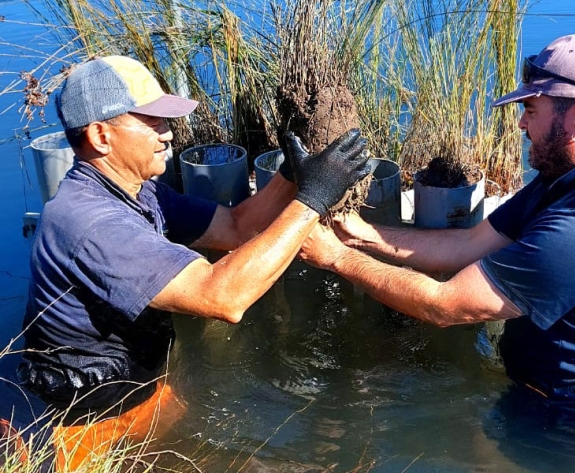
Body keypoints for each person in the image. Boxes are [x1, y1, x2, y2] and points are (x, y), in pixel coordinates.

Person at [15, 55, 369, 471]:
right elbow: (223, 297)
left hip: (140, 389)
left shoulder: (138, 191)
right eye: (152, 122)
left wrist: (291, 177)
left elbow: (235, 228)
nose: (168, 135)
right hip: (87, 424)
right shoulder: (91, 223)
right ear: (100, 135)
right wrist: (314, 198)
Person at [300, 34, 575, 401]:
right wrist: (362, 235)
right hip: (547, 387)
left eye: (531, 110)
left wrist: (335, 257)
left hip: (571, 420)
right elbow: (471, 243)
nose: (522, 126)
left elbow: (443, 304)